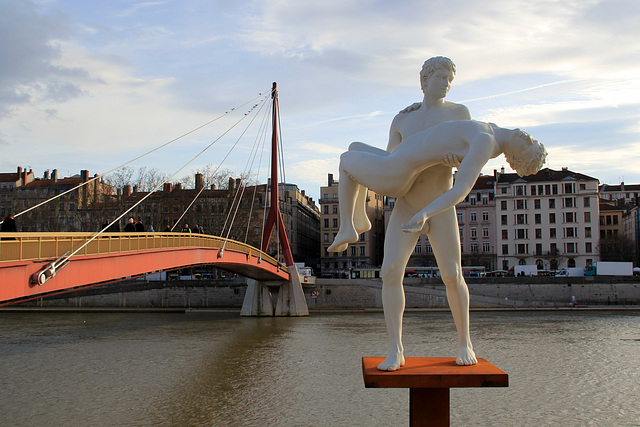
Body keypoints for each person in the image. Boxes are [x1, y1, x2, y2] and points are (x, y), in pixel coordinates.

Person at [336, 56, 474, 371]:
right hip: (407, 205)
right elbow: (389, 161)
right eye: (441, 78)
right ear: (424, 81)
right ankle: (395, 349)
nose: (446, 84)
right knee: (390, 272)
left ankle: (465, 342)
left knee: (452, 275)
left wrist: (457, 159)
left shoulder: (459, 114)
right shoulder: (403, 119)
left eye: (449, 80)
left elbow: (473, 156)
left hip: (439, 206)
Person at [328, 119, 546, 250]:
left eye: (528, 146)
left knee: (345, 160)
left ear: (515, 158)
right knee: (354, 146)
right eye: (533, 140)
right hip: (393, 160)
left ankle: (347, 227)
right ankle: (361, 219)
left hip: (396, 172)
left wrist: (425, 213)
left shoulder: (485, 142)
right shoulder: (493, 129)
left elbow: (461, 190)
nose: (528, 138)